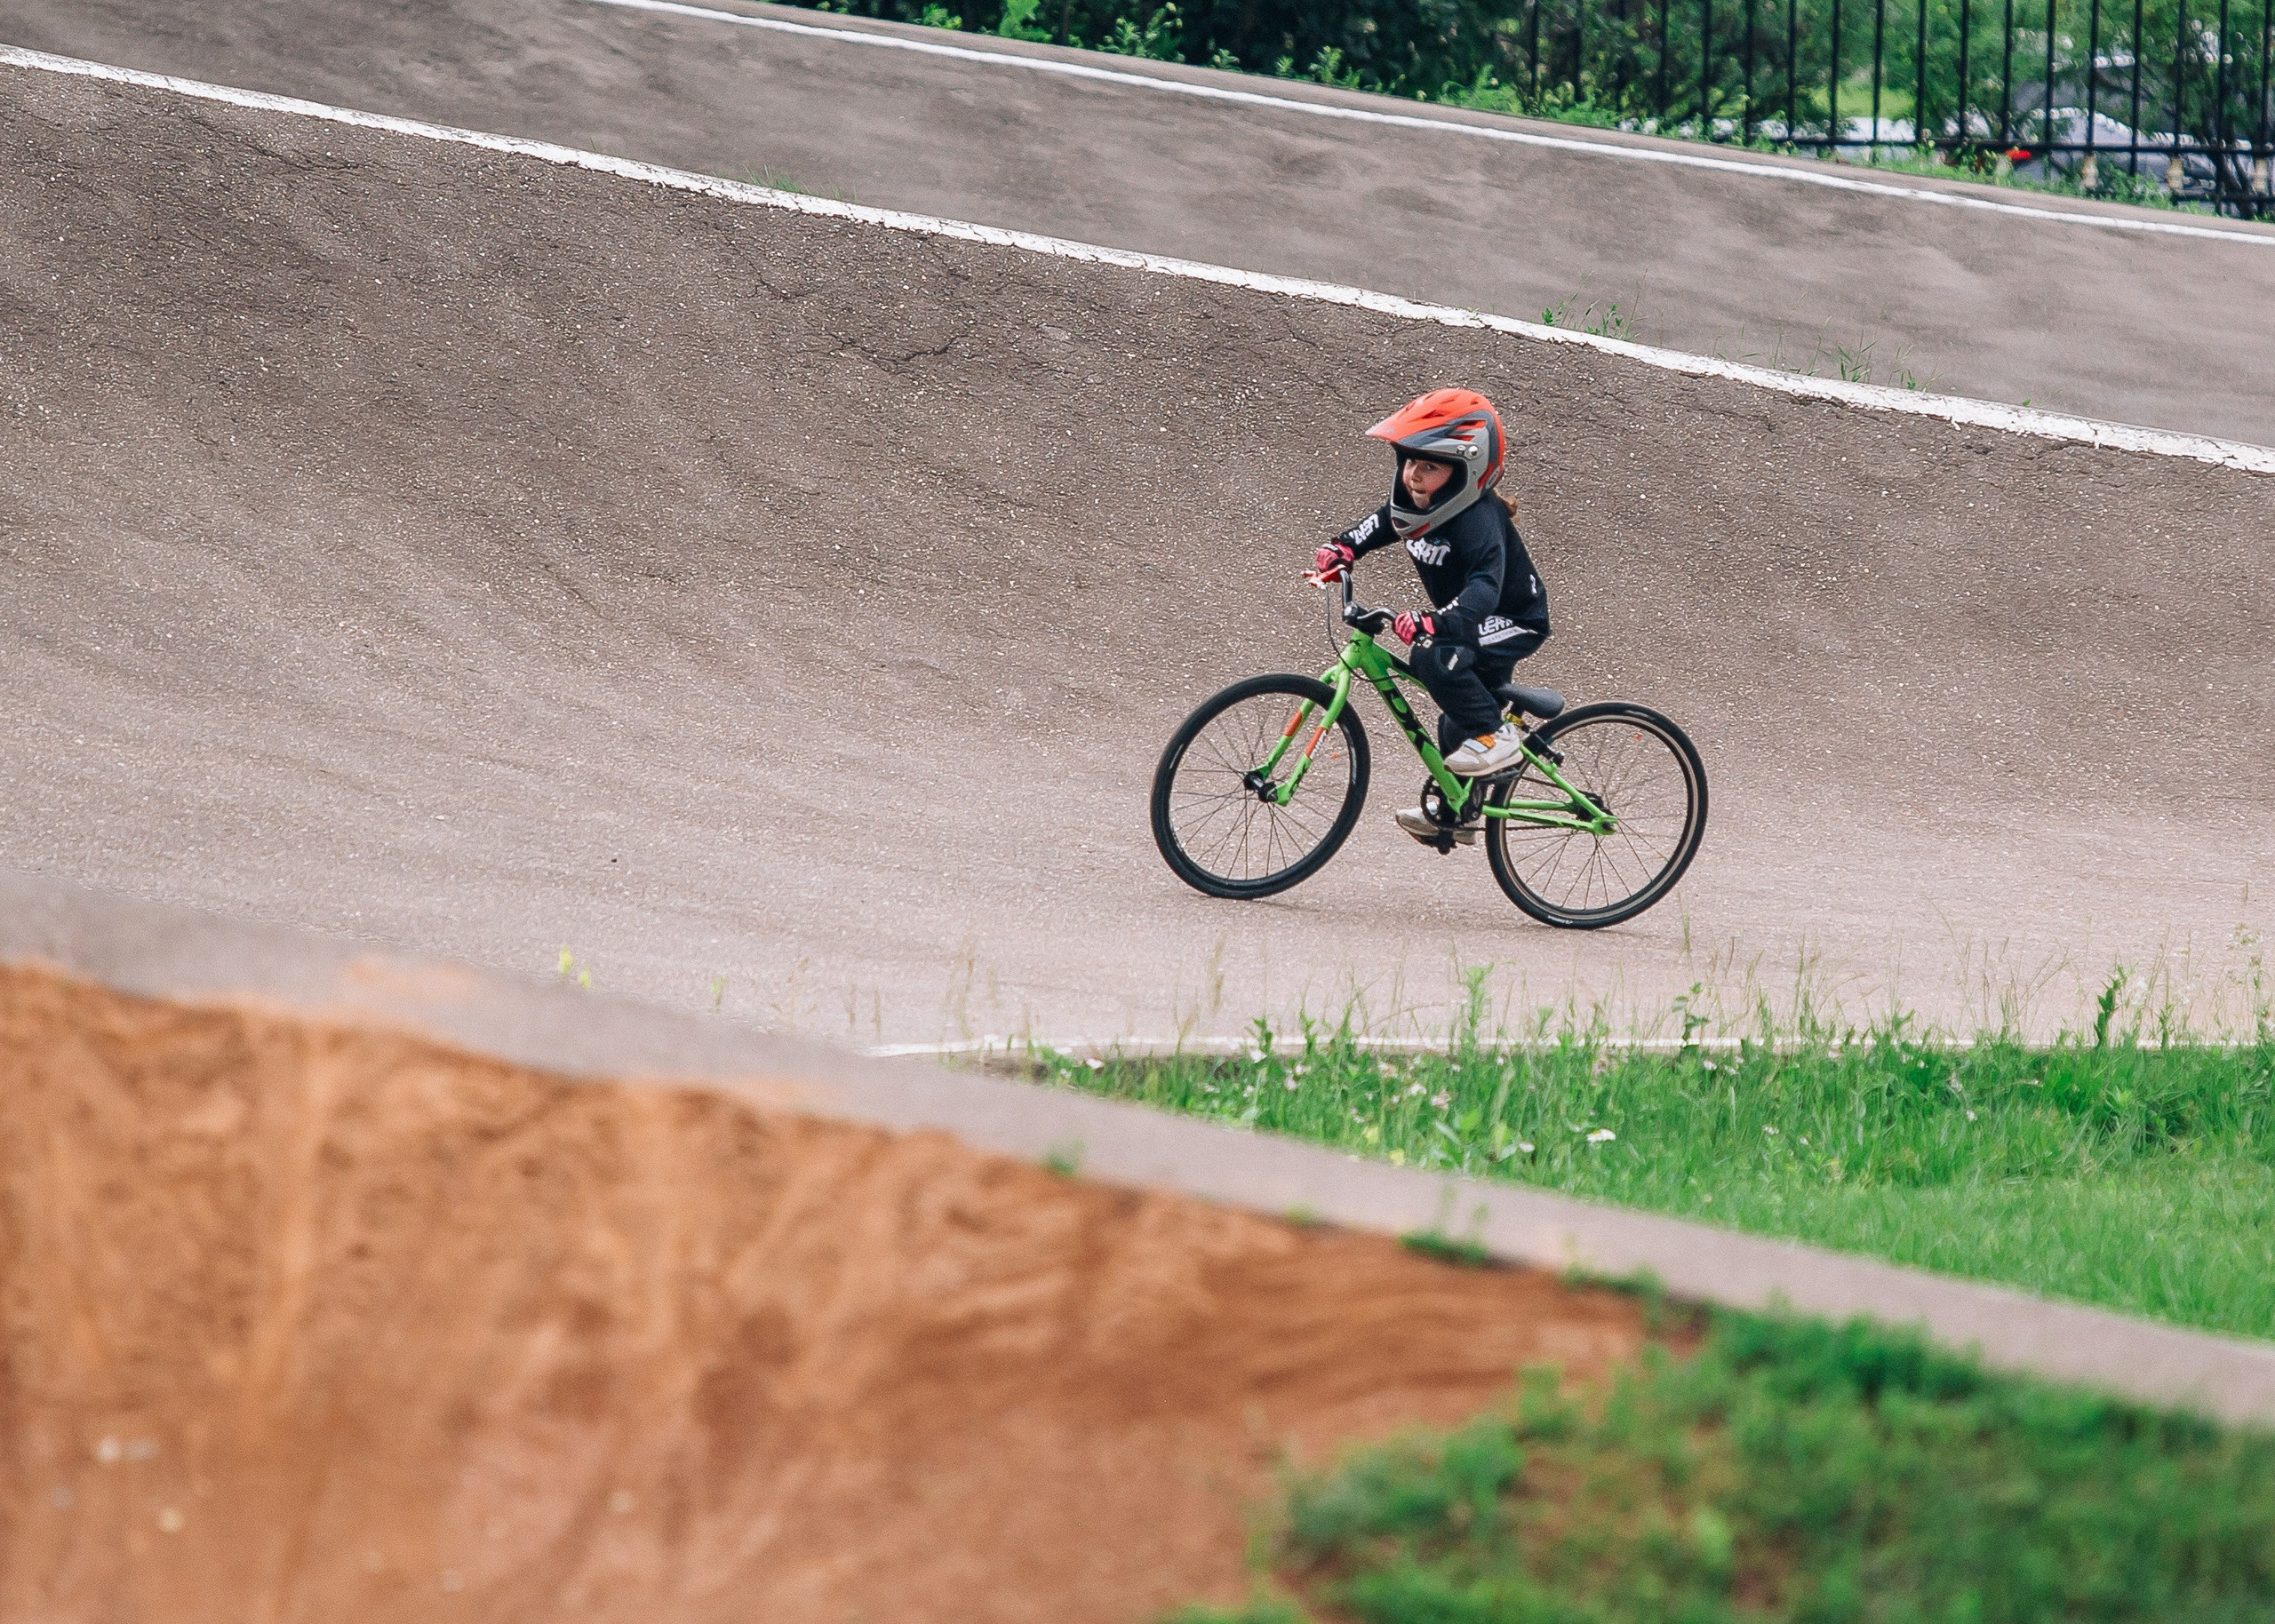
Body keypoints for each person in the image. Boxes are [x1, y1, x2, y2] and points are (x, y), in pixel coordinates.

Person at [1311, 388, 1551, 846]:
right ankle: (1460, 812)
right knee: (1452, 722)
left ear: (1467, 469)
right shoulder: (1422, 505)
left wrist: (1433, 622)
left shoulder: (1477, 519)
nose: (1414, 476)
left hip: (1513, 620)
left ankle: (1500, 738)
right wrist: (1342, 547)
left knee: (1433, 658)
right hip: (1467, 619)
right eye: (1409, 462)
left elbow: (1485, 590)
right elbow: (1384, 523)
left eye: (1430, 466)